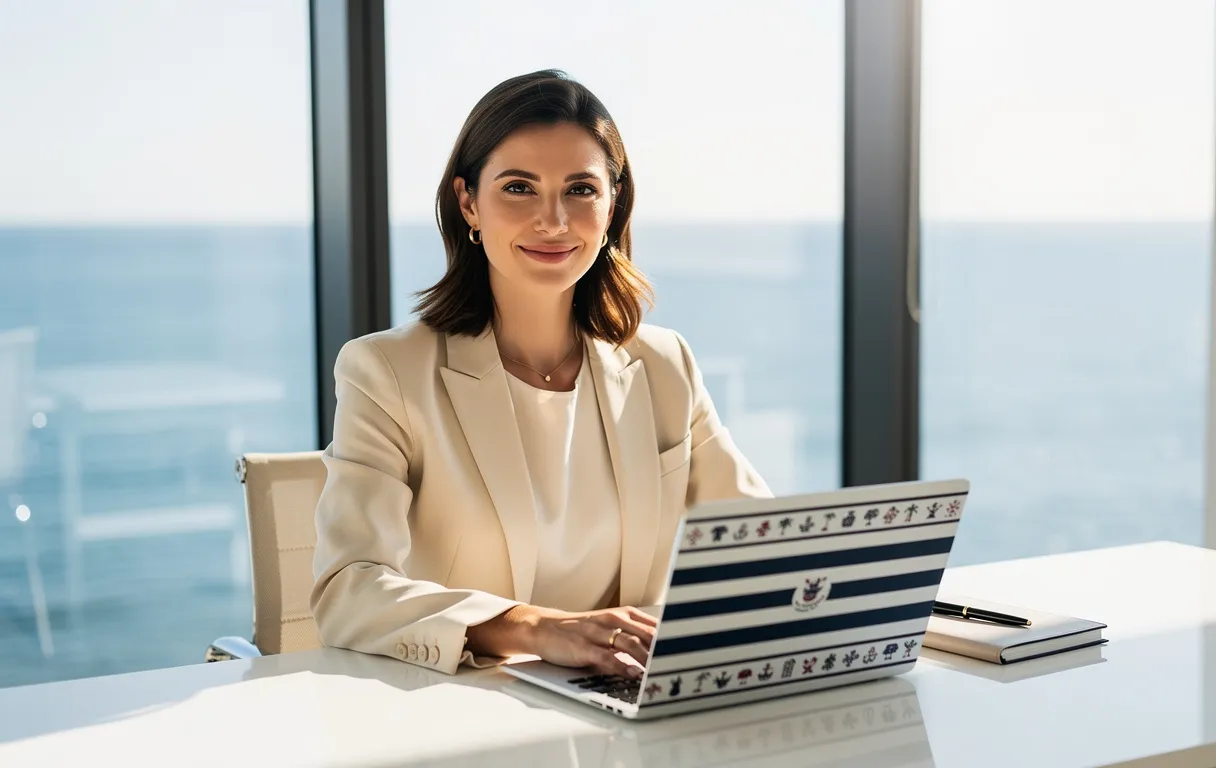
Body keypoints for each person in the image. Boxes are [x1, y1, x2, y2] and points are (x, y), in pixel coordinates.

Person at [311, 69, 771, 679]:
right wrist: (537, 628)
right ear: (469, 201)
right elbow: (348, 590)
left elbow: (764, 542)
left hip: (631, 704)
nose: (553, 220)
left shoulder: (664, 365)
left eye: (580, 189)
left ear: (614, 205)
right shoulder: (386, 371)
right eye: (520, 188)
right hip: (469, 710)